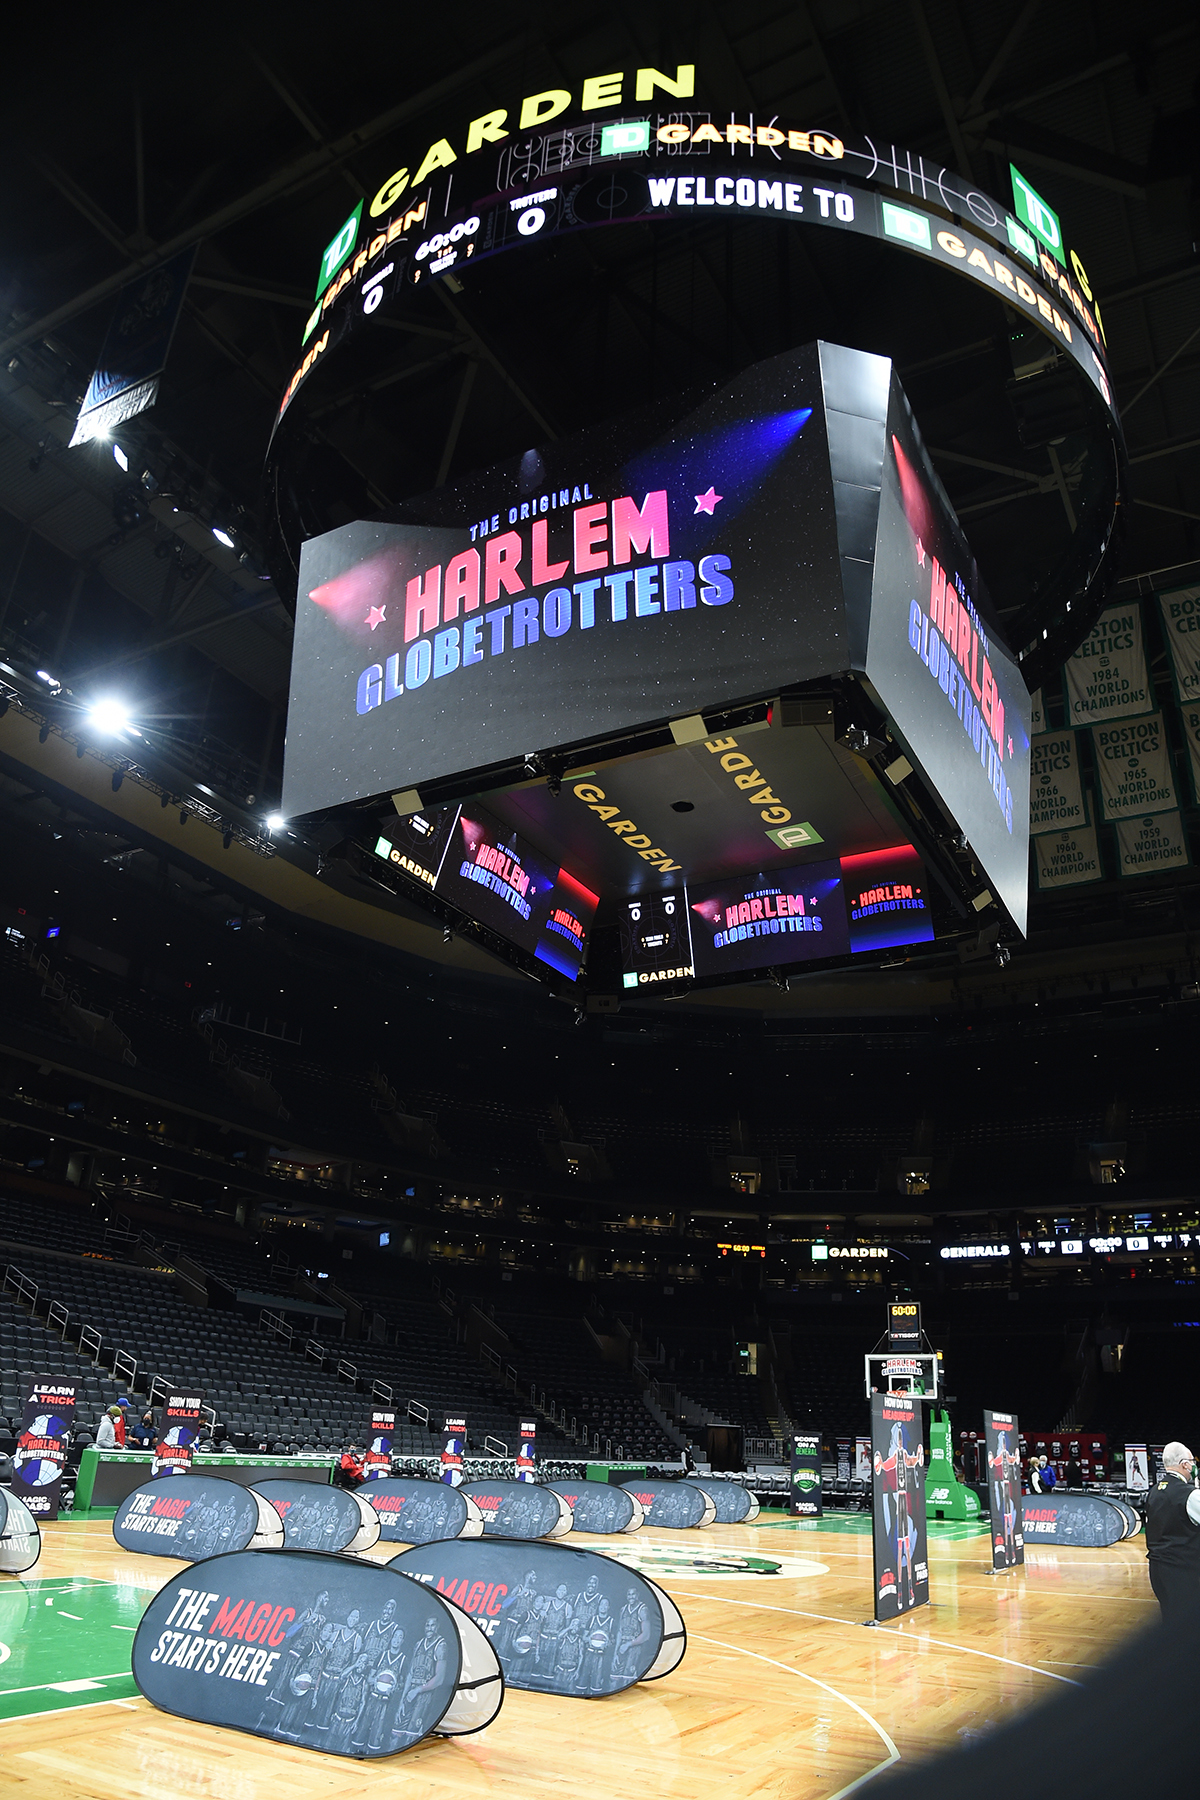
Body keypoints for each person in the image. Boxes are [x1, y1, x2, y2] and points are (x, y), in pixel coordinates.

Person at [1144, 1440, 1200, 1624]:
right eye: (1192, 1462)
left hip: (1157, 1570)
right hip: (1182, 1570)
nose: (1194, 1466)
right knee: (1188, 1625)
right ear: (1185, 1464)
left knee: (1170, 1620)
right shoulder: (1190, 1495)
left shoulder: (1154, 1491)